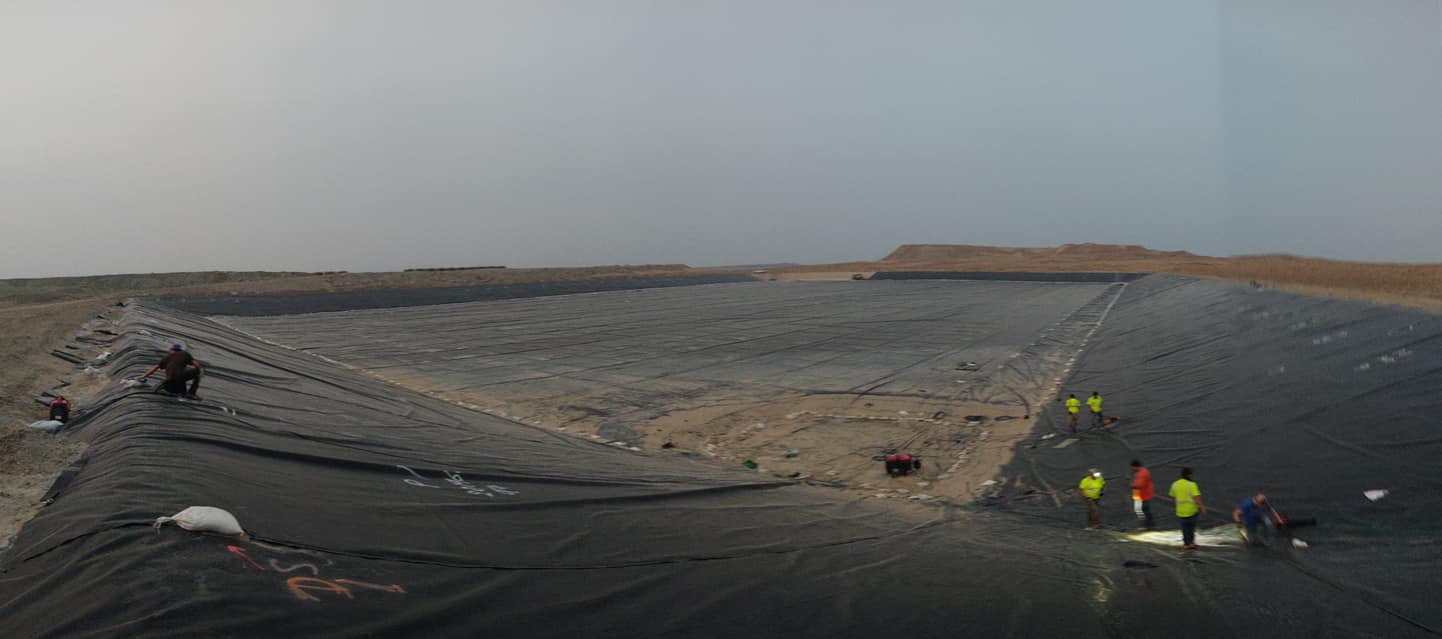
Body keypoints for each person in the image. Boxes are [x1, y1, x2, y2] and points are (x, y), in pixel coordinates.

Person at [139, 344, 203, 399]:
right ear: (180, 350)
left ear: (171, 350)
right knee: (199, 372)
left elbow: (154, 368)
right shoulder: (185, 354)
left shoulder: (167, 357)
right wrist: (196, 372)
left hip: (169, 380)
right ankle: (192, 393)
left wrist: (143, 376)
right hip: (181, 378)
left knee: (159, 389)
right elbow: (197, 365)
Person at [1169, 467, 1205, 549]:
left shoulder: (1175, 484)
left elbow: (1173, 497)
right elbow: (1197, 498)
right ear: (1189, 474)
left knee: (1184, 528)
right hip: (1192, 511)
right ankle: (1191, 543)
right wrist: (1201, 507)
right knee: (1191, 528)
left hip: (1180, 511)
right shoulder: (1192, 484)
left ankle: (1186, 544)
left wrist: (1177, 505)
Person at [1130, 459, 1155, 530]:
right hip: (1143, 495)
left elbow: (1139, 485)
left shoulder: (1141, 473)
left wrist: (1132, 485)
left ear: (1135, 466)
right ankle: (1149, 524)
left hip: (1143, 495)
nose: (1132, 469)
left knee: (1143, 510)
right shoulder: (1143, 472)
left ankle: (1147, 526)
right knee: (1144, 510)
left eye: (1132, 467)